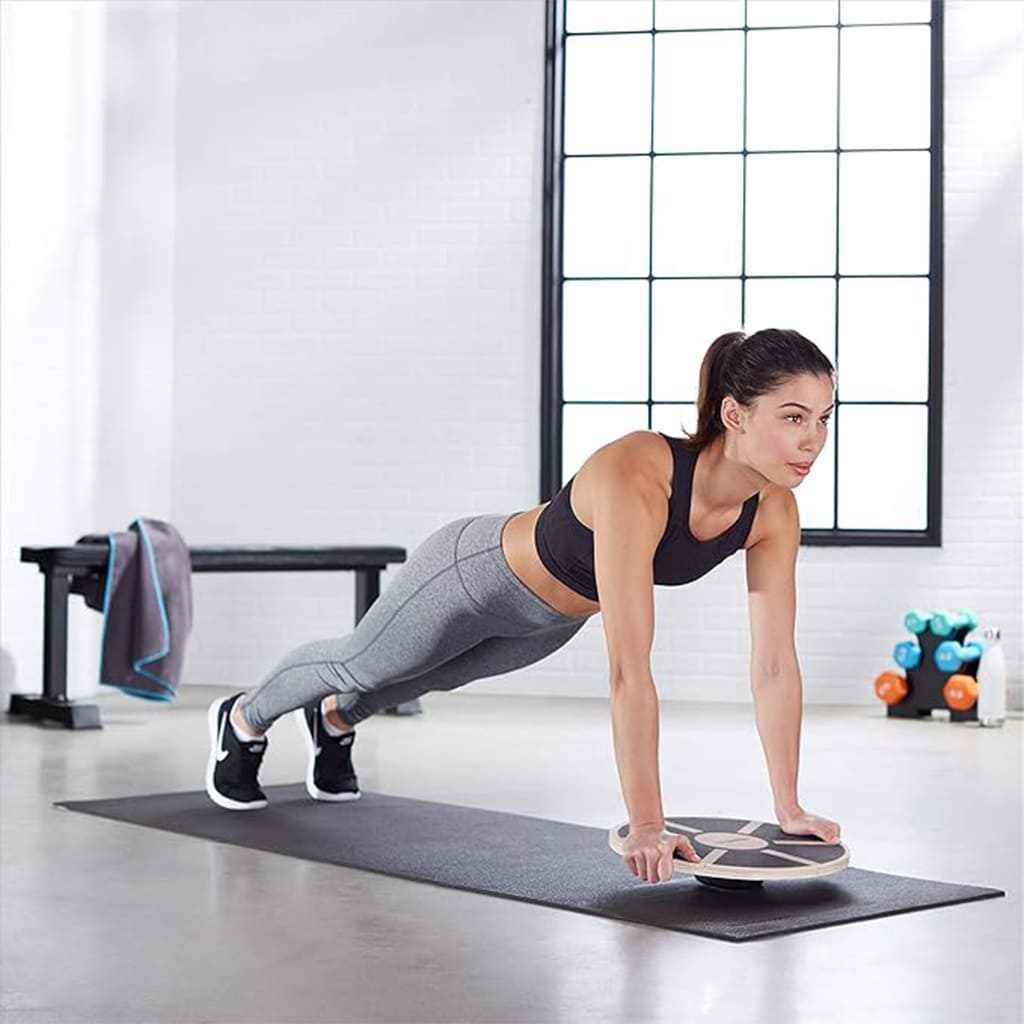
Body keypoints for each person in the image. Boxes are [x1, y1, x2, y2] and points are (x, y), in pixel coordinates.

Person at [205, 327, 842, 885]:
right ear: (734, 414)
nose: (813, 440)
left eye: (823, 418)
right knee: (361, 661)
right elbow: (629, 670)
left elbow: (774, 666)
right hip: (472, 574)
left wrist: (788, 807)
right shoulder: (639, 471)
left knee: (431, 676)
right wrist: (646, 823)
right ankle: (242, 719)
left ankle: (335, 723)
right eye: (792, 417)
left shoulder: (775, 513)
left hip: (549, 620)